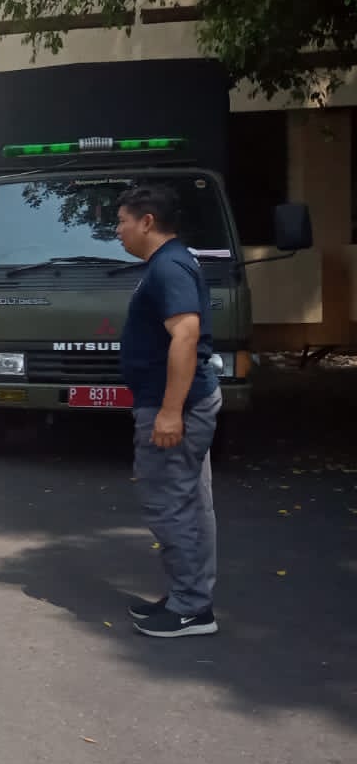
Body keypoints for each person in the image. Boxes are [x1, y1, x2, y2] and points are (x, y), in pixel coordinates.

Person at [115, 184, 224, 639]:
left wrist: (170, 411)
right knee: (190, 503)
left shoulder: (169, 266)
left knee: (169, 504)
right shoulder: (169, 263)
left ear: (147, 222)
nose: (117, 230)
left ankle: (191, 608)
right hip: (181, 401)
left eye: (122, 221)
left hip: (177, 405)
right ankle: (189, 597)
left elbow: (186, 335)